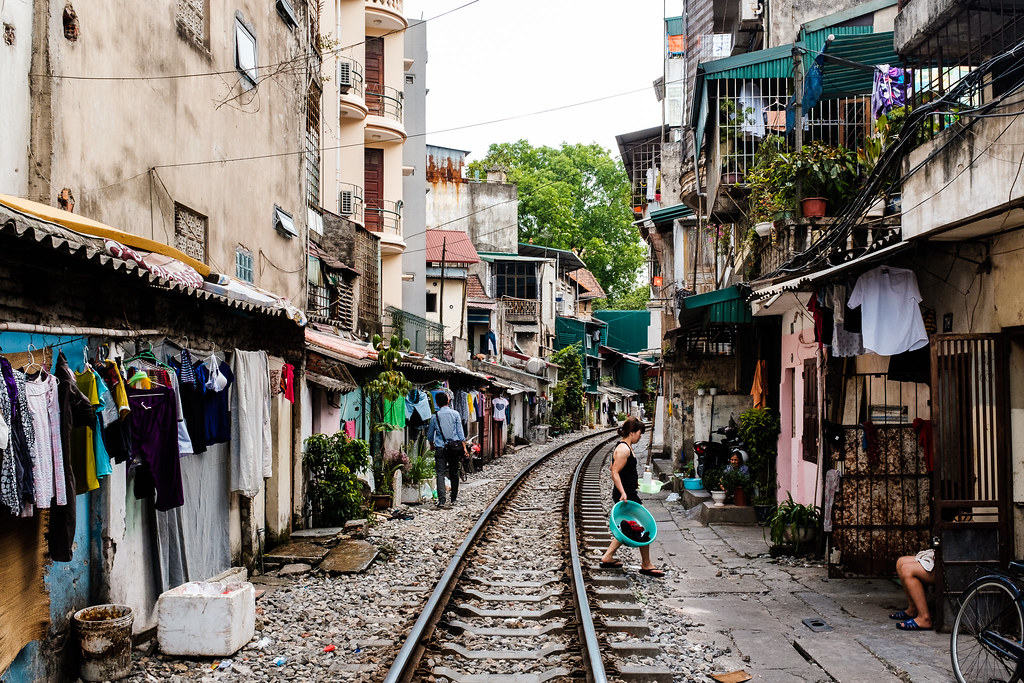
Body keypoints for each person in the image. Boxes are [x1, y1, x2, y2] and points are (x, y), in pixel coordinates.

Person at [599, 416, 665, 577]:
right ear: (632, 432)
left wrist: (633, 482)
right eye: (639, 433)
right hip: (626, 495)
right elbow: (614, 471)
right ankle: (646, 563)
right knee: (642, 525)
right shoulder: (623, 449)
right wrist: (623, 492)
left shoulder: (626, 447)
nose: (640, 437)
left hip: (629, 492)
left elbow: (614, 467)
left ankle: (610, 556)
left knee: (634, 525)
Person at [426, 392, 466, 509]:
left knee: (440, 473)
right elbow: (460, 433)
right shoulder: (455, 414)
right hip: (454, 448)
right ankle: (453, 497)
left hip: (440, 447)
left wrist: (431, 444)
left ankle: (442, 500)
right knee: (454, 472)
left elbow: (430, 434)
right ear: (448, 401)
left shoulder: (435, 417)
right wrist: (464, 447)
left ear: (437, 403)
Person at [891, 549, 935, 630]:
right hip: (940, 557)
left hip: (949, 564)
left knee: (907, 569)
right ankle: (913, 609)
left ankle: (924, 618)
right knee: (901, 562)